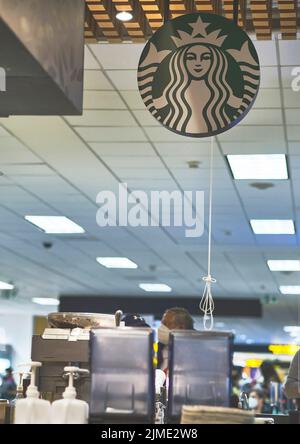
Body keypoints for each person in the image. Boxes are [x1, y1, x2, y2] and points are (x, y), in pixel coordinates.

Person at [157, 307, 194, 371]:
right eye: (162, 324)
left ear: (182, 328)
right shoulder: (159, 348)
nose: (161, 328)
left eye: (166, 324)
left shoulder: (198, 351)